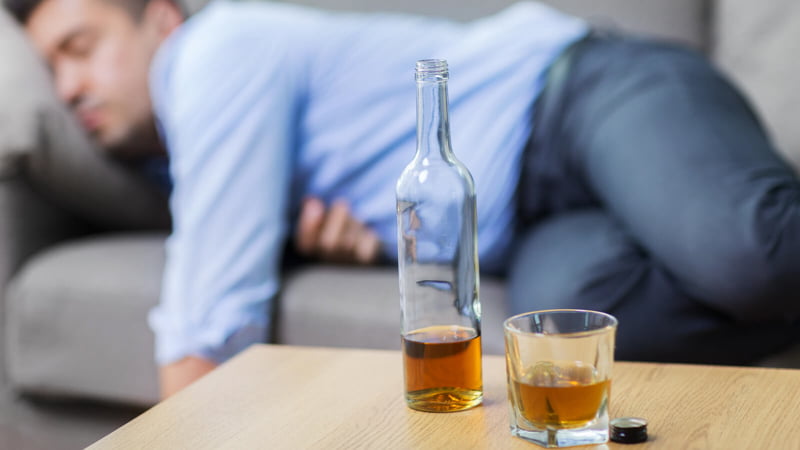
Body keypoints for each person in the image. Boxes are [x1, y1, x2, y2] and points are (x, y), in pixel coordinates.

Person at [6, 0, 800, 398]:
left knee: (746, 254)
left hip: (579, 97)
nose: (70, 87)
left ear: (163, 21)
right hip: (538, 220)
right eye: (54, 69)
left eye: (81, 47)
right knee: (563, 347)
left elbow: (209, 315)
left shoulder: (216, 51)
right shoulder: (172, 161)